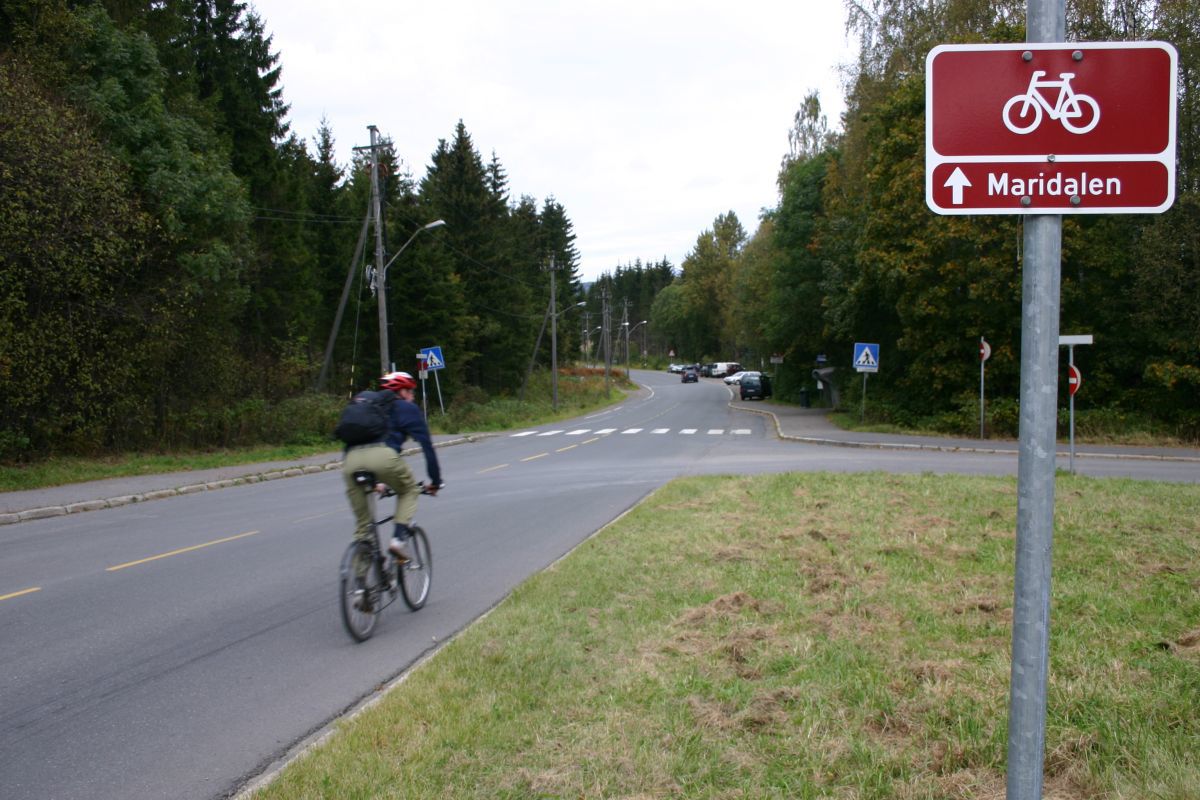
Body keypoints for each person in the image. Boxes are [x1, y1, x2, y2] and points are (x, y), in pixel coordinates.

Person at [341, 371, 442, 561]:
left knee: (363, 529)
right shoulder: (407, 408)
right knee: (409, 490)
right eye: (410, 392)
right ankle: (398, 540)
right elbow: (427, 446)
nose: (412, 397)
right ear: (401, 392)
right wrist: (435, 481)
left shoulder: (368, 406)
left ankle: (358, 578)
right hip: (383, 459)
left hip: (351, 461)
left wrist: (375, 483)